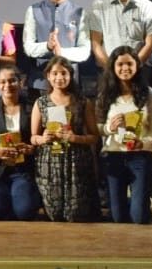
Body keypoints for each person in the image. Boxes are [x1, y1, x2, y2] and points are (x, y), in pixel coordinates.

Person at [30, 56, 101, 222]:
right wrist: (42, 138)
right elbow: (33, 137)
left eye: (64, 73)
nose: (59, 78)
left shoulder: (83, 102)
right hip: (49, 163)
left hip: (76, 163)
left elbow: (94, 137)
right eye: (54, 73)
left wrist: (74, 137)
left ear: (71, 74)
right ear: (48, 76)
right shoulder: (40, 103)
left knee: (75, 215)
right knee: (55, 214)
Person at [95, 46, 152, 224]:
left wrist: (144, 142)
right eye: (120, 64)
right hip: (114, 155)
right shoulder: (105, 95)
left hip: (140, 156)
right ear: (113, 67)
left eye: (129, 64)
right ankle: (136, 202)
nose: (125, 68)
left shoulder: (148, 93)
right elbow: (98, 128)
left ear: (137, 65)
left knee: (139, 218)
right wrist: (110, 128)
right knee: (118, 217)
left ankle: (143, 202)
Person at [0, 66, 41, 221]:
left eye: (12, 80)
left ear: (20, 82)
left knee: (24, 213)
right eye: (2, 82)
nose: (7, 85)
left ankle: (18, 198)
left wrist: (30, 149)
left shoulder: (32, 107)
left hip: (22, 170)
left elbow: (39, 139)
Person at [22, 0, 90, 100]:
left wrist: (61, 52)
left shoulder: (80, 13)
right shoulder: (33, 10)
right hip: (39, 84)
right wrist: (47, 46)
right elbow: (28, 47)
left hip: (70, 84)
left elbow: (85, 51)